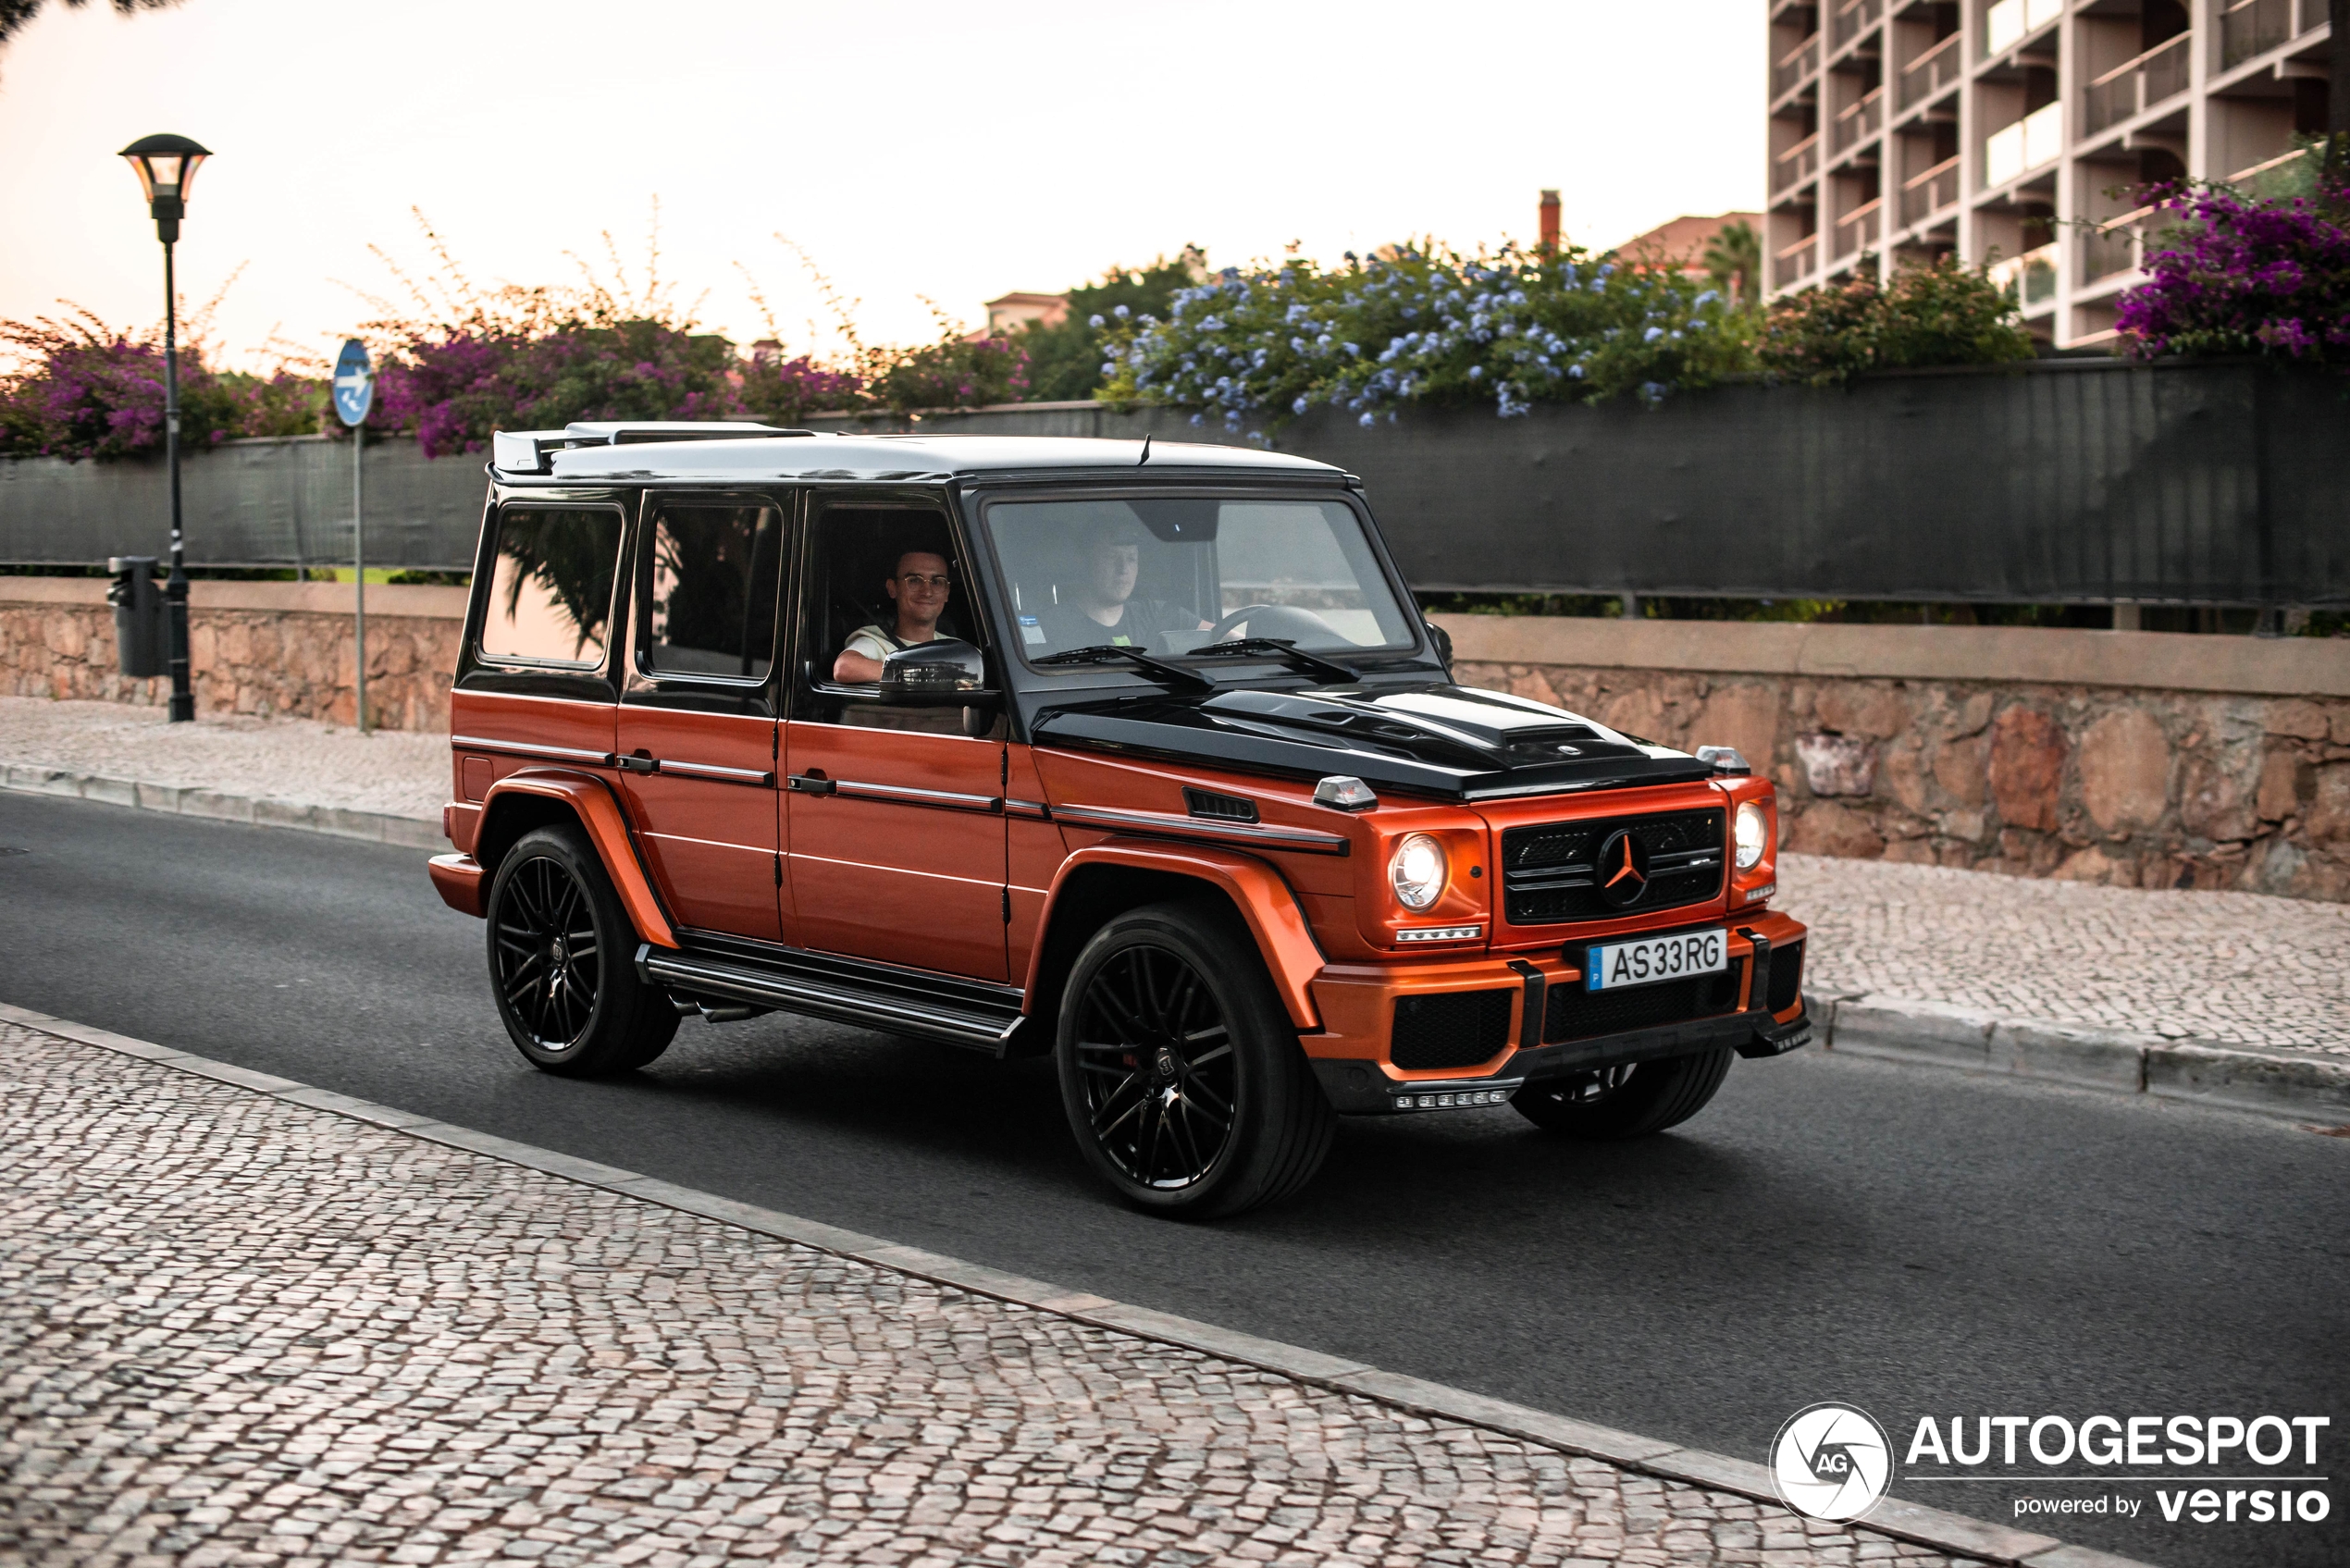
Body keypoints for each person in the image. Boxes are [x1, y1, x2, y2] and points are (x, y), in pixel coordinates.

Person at [1040, 530, 1208, 651]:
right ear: (1086, 563)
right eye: (1112, 557)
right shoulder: (1052, 626)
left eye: (1131, 559)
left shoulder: (1158, 614)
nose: (1123, 569)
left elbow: (1225, 636)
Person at [834, 549, 952, 683]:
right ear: (892, 588)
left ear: (947, 592)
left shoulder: (956, 648)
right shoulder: (876, 643)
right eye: (914, 580)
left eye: (936, 582)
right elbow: (844, 667)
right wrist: (920, 675)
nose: (927, 592)